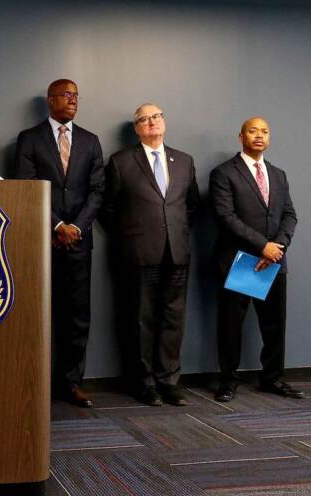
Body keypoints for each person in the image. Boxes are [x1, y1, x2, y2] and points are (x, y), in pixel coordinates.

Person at [102, 103, 200, 406]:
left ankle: (168, 380)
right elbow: (108, 210)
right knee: (141, 320)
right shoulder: (121, 162)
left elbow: (192, 205)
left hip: (177, 252)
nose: (151, 122)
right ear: (136, 128)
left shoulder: (184, 161)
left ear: (164, 121)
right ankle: (144, 383)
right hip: (139, 253)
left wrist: (176, 231)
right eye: (144, 119)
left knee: (173, 318)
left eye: (156, 116)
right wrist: (131, 236)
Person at [15, 79, 104, 407]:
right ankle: (35, 382)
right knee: (37, 314)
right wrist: (56, 224)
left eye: (76, 95)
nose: (72, 100)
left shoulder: (91, 141)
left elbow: (97, 192)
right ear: (50, 100)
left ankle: (71, 383)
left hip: (79, 242)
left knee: (77, 316)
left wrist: (75, 228)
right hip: (42, 240)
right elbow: (25, 185)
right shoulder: (29, 139)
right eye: (66, 95)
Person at [209, 116, 302, 402]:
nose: (259, 135)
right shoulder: (224, 173)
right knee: (231, 326)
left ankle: (272, 378)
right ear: (241, 136)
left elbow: (289, 215)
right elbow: (226, 217)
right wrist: (263, 246)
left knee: (275, 325)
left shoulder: (278, 174)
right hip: (241, 260)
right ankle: (228, 380)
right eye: (253, 131)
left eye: (264, 131)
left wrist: (278, 248)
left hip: (274, 260)